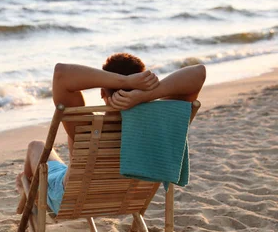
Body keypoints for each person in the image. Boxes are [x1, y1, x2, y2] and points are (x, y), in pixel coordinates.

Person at [16, 53, 206, 213]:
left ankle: (27, 198)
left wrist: (124, 81)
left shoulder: (88, 126)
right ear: (143, 85)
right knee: (52, 158)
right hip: (127, 199)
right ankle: (26, 193)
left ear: (102, 92)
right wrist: (144, 94)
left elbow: (61, 73)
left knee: (36, 146)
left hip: (71, 199)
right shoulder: (159, 123)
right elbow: (198, 73)